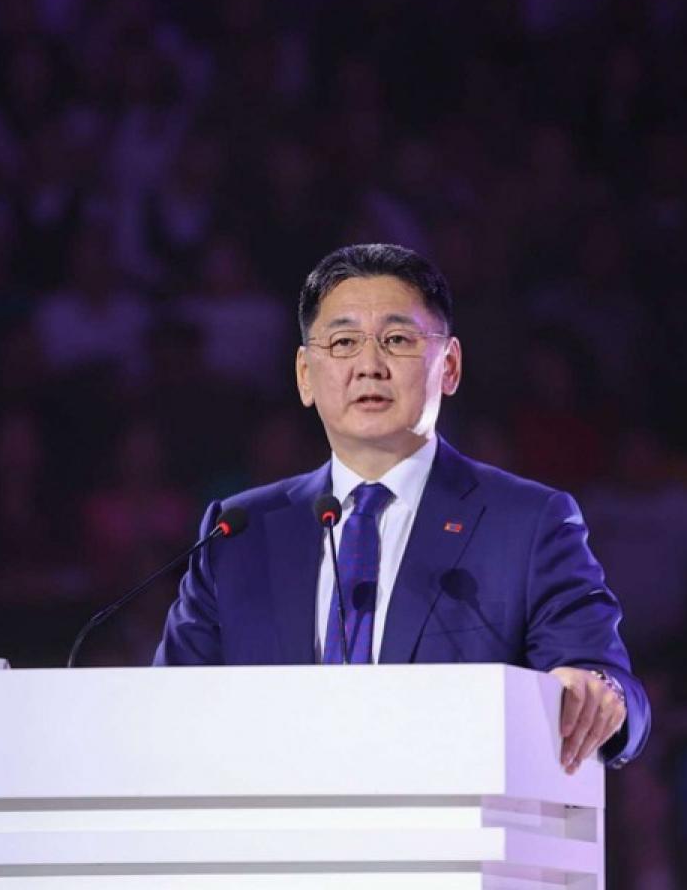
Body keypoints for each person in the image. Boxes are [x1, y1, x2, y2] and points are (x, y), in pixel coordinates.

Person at [155, 243, 650, 772]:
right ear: (304, 375)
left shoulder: (527, 523)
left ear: (450, 366)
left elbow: (606, 682)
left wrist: (597, 691)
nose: (369, 366)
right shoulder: (238, 533)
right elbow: (165, 714)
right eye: (343, 342)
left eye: (396, 340)